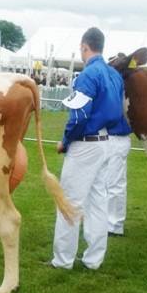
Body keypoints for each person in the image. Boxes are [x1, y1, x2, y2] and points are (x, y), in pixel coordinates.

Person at [50, 27, 125, 270]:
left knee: (70, 201)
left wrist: (66, 140)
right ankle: (93, 260)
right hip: (106, 142)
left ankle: (62, 261)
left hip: (86, 144)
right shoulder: (114, 75)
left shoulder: (88, 75)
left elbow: (80, 115)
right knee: (98, 202)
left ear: (84, 46)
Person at [106, 116, 132, 237]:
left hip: (116, 137)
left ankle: (114, 225)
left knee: (115, 183)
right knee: (106, 183)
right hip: (107, 137)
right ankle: (107, 222)